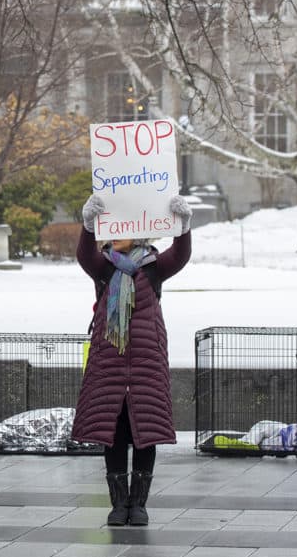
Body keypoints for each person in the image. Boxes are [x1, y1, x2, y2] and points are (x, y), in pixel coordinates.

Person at [73, 194, 192, 527]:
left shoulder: (154, 267)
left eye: (123, 227)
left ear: (139, 232)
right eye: (111, 229)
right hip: (109, 365)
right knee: (113, 432)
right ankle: (118, 503)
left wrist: (182, 226)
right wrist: (87, 225)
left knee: (146, 433)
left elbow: (180, 255)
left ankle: (138, 504)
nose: (115, 234)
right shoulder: (104, 266)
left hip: (145, 364)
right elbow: (84, 255)